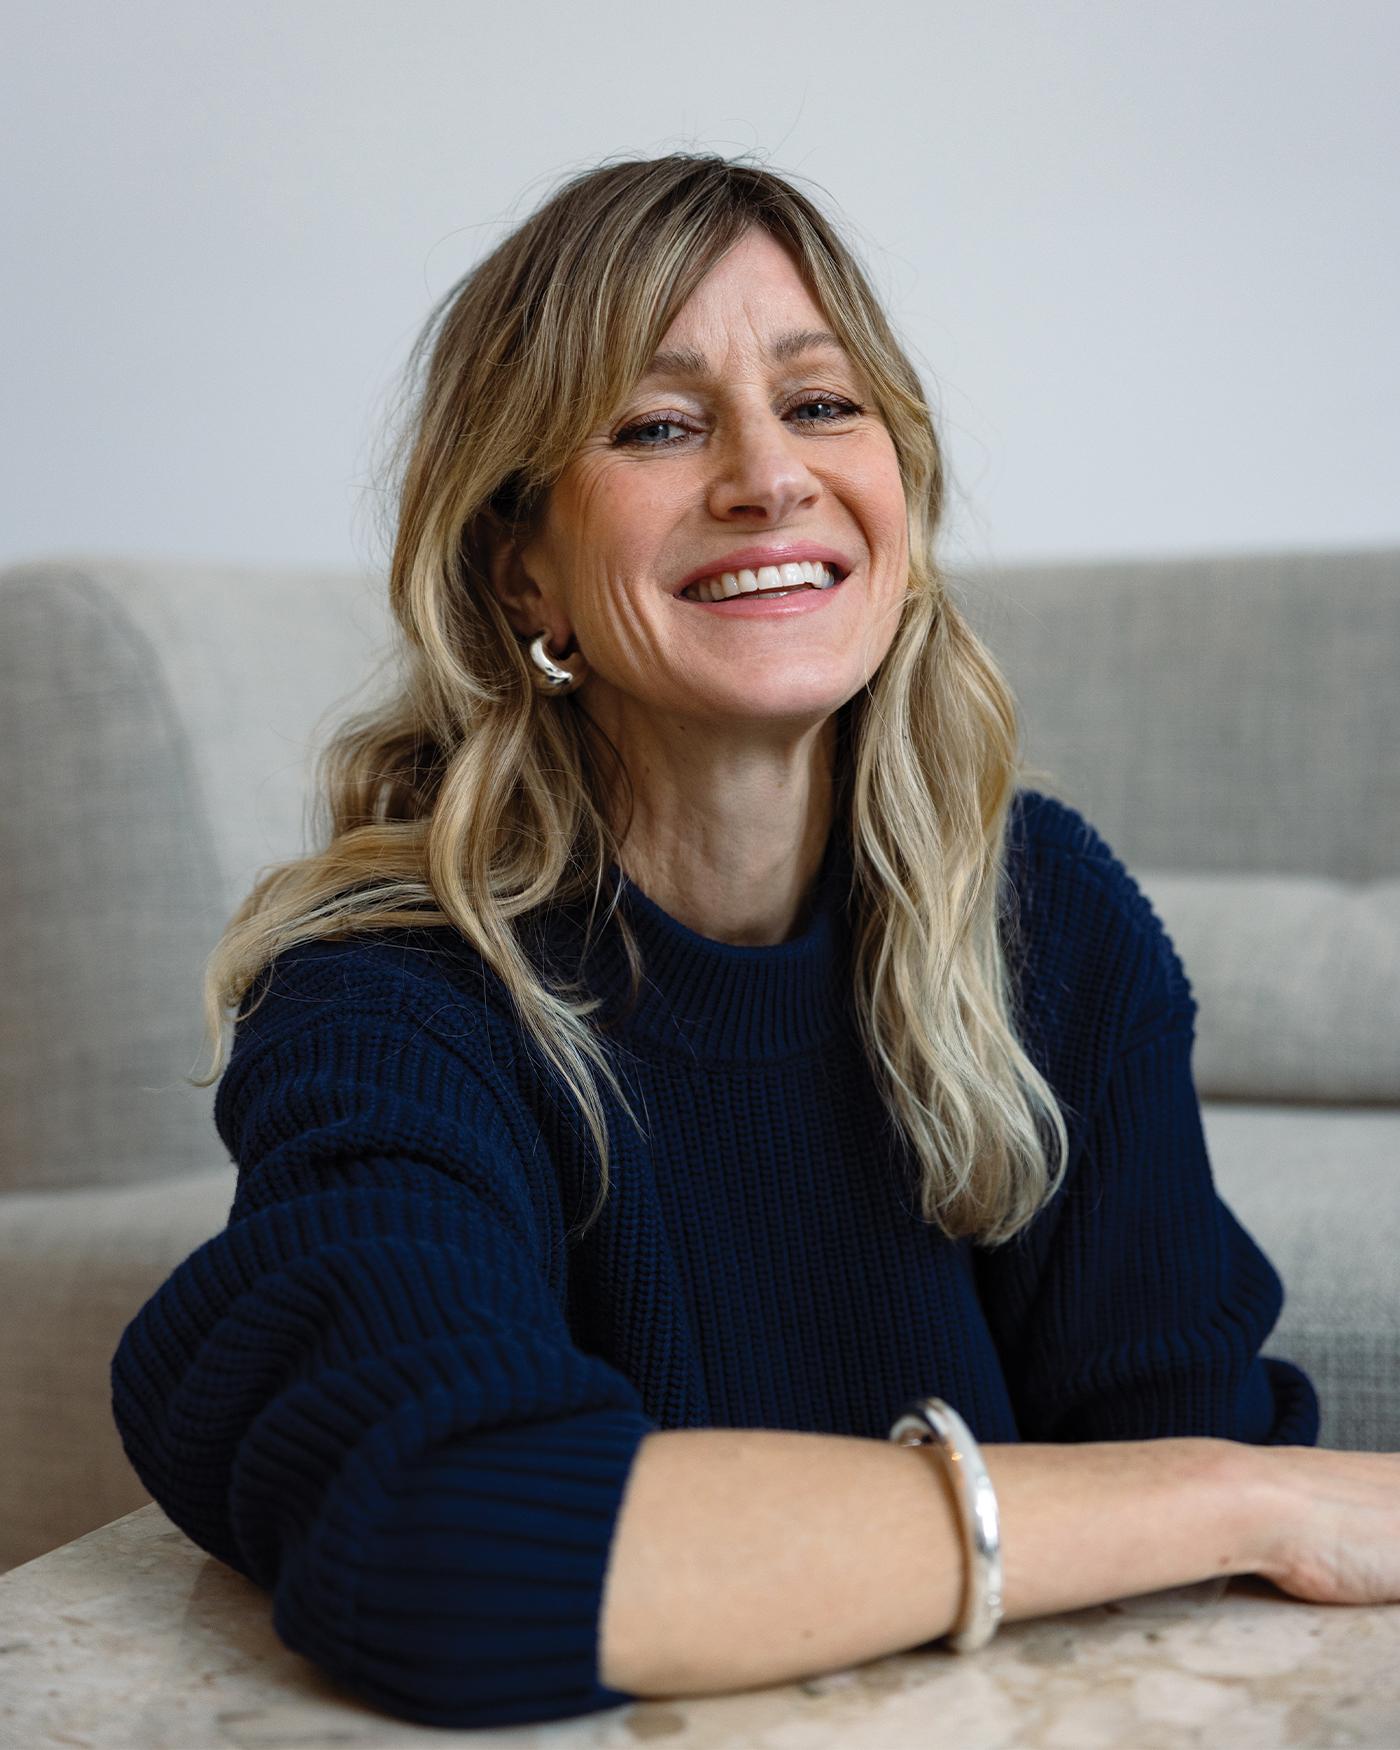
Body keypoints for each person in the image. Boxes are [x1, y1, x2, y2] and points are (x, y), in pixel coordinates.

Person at [109, 152, 1400, 1732]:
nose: (767, 474)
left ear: (898, 496)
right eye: (658, 424)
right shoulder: (393, 999)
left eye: (823, 404)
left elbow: (1196, 1494)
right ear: (523, 569)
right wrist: (1220, 1494)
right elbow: (460, 1540)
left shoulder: (1045, 919)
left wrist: (1211, 1493)